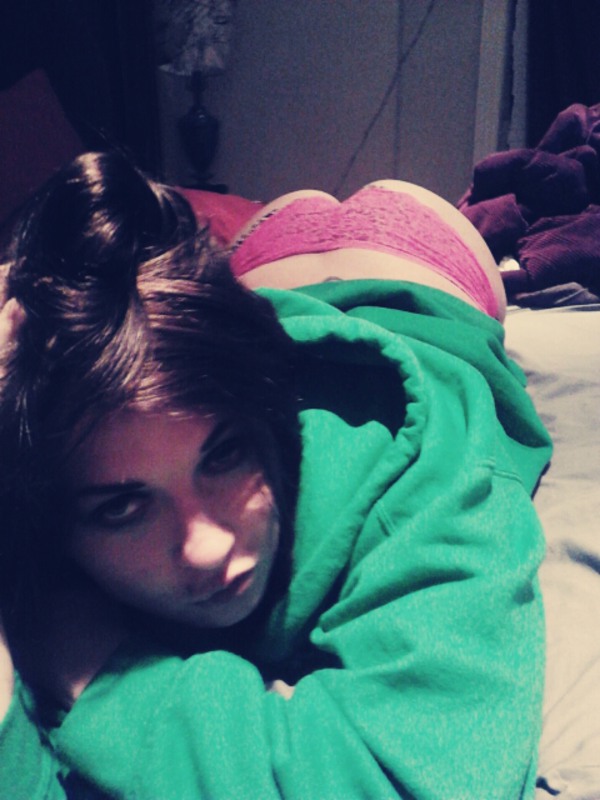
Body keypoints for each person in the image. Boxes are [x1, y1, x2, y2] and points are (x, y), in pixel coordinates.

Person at [0, 151, 552, 799]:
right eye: (121, 509)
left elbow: (432, 783)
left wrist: (106, 683)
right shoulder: (46, 472)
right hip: (265, 267)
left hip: (426, 266)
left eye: (225, 455)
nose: (208, 548)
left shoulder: (424, 468)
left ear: (262, 407)